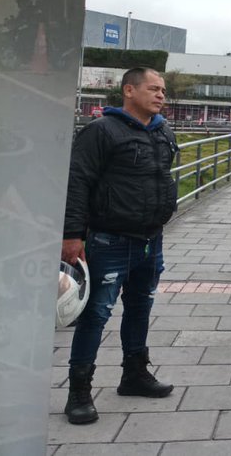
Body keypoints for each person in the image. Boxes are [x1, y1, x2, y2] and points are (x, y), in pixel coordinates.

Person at [61, 68, 178, 424]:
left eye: (163, 90)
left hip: (150, 239)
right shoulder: (101, 131)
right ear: (129, 90)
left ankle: (134, 374)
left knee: (140, 307)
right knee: (96, 314)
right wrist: (71, 235)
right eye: (153, 89)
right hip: (109, 238)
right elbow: (77, 182)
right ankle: (79, 391)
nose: (161, 95)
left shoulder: (162, 130)